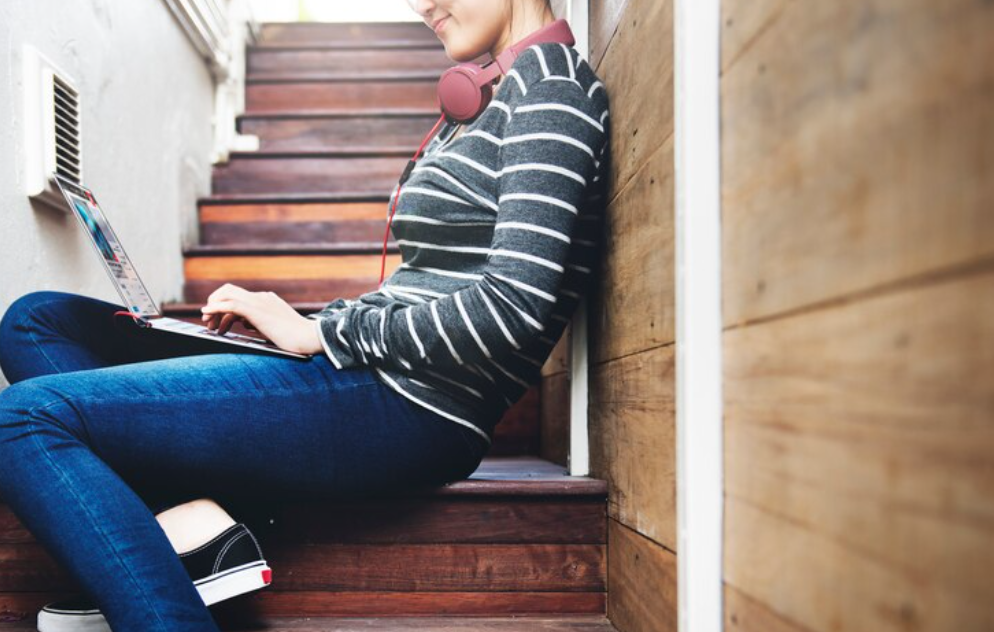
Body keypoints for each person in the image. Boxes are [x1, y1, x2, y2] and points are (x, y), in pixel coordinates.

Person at [0, 0, 611, 630]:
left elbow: (512, 309)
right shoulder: (495, 90)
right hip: (363, 364)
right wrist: (305, 325)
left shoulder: (551, 92)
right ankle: (195, 532)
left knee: (21, 419)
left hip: (413, 403)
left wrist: (322, 331)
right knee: (37, 322)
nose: (421, 4)